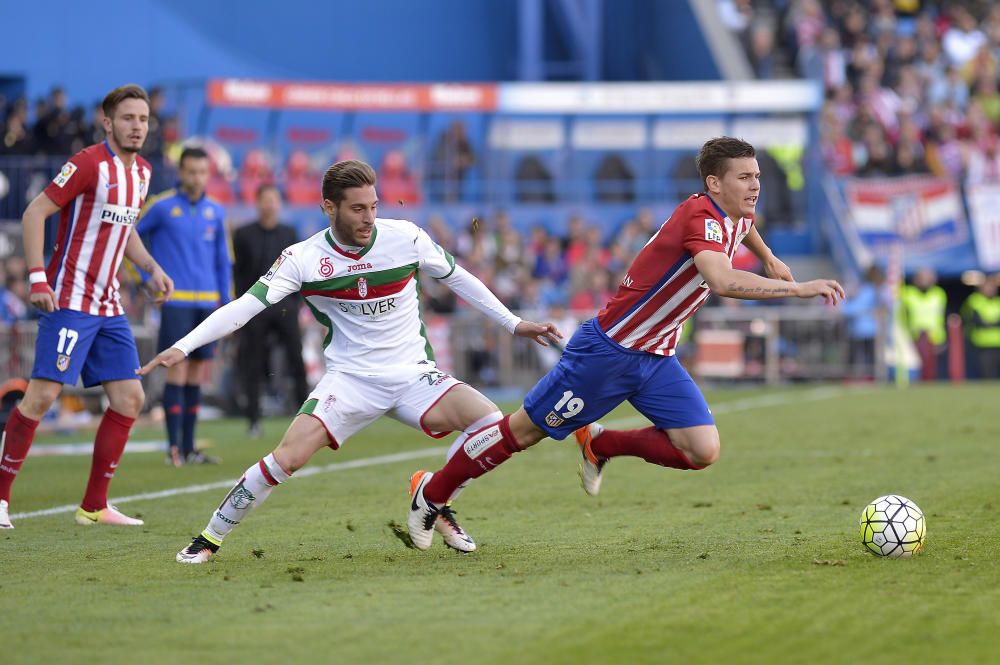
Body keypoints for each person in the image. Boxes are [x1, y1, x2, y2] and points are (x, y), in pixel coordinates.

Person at [406, 137, 845, 550]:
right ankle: (432, 492)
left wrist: (768, 256)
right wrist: (799, 288)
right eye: (744, 177)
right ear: (714, 183)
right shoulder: (700, 218)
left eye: (757, 176)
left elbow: (745, 227)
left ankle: (601, 445)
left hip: (656, 356)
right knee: (523, 432)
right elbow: (722, 280)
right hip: (609, 352)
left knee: (701, 450)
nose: (755, 186)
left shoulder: (734, 214)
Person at [138, 160, 560, 563]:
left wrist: (513, 322)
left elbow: (457, 277)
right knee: (287, 457)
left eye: (374, 206)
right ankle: (209, 537)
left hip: (414, 375)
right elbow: (245, 306)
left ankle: (434, 497)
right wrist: (185, 345)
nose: (369, 217)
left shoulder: (406, 238)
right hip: (351, 381)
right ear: (329, 207)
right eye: (357, 208)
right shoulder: (303, 258)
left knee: (492, 425)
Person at [0, 84, 173, 529]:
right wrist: (37, 277)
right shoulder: (86, 163)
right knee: (40, 397)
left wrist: (150, 267)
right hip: (70, 299)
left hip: (108, 304)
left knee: (130, 397)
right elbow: (34, 213)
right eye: (128, 118)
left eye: (143, 119)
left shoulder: (144, 173)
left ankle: (94, 506)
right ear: (107, 122)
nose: (137, 126)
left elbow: (125, 229)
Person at [138, 146, 230, 465]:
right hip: (176, 302)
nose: (197, 178)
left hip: (208, 305)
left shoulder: (216, 211)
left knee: (196, 376)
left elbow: (223, 261)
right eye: (191, 171)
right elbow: (128, 239)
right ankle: (172, 449)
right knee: (176, 373)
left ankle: (190, 449)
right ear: (180, 172)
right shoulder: (161, 207)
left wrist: (227, 306)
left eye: (202, 172)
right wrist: (144, 277)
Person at [231, 184, 307, 437]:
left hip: (285, 307)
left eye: (274, 200)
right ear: (257, 203)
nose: (270, 204)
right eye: (265, 200)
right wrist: (242, 307)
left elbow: (299, 272)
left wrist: (296, 304)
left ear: (279, 203)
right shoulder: (243, 234)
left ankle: (306, 418)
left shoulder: (289, 233)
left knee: (297, 359)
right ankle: (253, 420)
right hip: (255, 308)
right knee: (252, 362)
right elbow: (239, 273)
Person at [960, 274, 1000, 379]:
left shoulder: (997, 301)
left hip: (997, 342)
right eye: (987, 287)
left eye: (992, 287)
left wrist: (990, 323)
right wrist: (992, 323)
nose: (990, 289)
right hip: (981, 342)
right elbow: (975, 319)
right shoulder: (974, 300)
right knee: (986, 372)